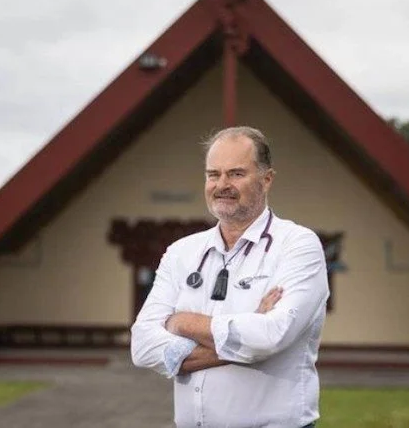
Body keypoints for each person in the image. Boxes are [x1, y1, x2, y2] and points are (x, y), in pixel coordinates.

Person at [131, 126, 329, 428]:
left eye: (236, 174)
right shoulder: (181, 252)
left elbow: (271, 336)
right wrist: (246, 338)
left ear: (267, 179)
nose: (222, 184)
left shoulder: (298, 245)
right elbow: (142, 345)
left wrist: (182, 322)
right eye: (213, 174)